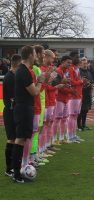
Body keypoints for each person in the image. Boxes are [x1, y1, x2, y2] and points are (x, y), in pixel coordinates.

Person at [12, 46, 45, 183]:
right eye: (35, 54)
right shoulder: (23, 71)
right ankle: (17, 174)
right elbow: (34, 92)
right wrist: (40, 81)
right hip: (24, 108)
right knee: (20, 139)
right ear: (30, 55)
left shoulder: (23, 70)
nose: (37, 57)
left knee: (22, 139)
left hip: (25, 107)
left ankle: (18, 170)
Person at [3, 54, 21, 177]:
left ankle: (13, 167)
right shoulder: (10, 77)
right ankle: (9, 168)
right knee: (12, 139)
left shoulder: (14, 76)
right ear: (17, 63)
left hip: (14, 111)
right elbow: (11, 97)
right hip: (10, 112)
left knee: (15, 139)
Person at [78, 57, 94, 131]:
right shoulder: (78, 72)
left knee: (86, 110)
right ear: (80, 64)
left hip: (88, 94)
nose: (85, 65)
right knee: (80, 110)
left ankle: (84, 125)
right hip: (81, 93)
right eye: (83, 63)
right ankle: (79, 126)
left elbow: (91, 81)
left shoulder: (88, 72)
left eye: (86, 63)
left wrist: (92, 84)